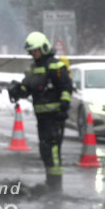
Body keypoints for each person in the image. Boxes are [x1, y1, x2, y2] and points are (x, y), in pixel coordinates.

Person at [7, 32, 72, 191]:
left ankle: (56, 185)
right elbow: (27, 88)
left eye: (35, 51)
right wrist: (17, 90)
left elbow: (66, 88)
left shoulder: (55, 66)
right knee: (45, 149)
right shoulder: (33, 68)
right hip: (41, 118)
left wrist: (63, 107)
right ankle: (50, 182)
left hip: (55, 116)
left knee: (54, 150)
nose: (33, 54)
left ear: (43, 48)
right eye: (31, 52)